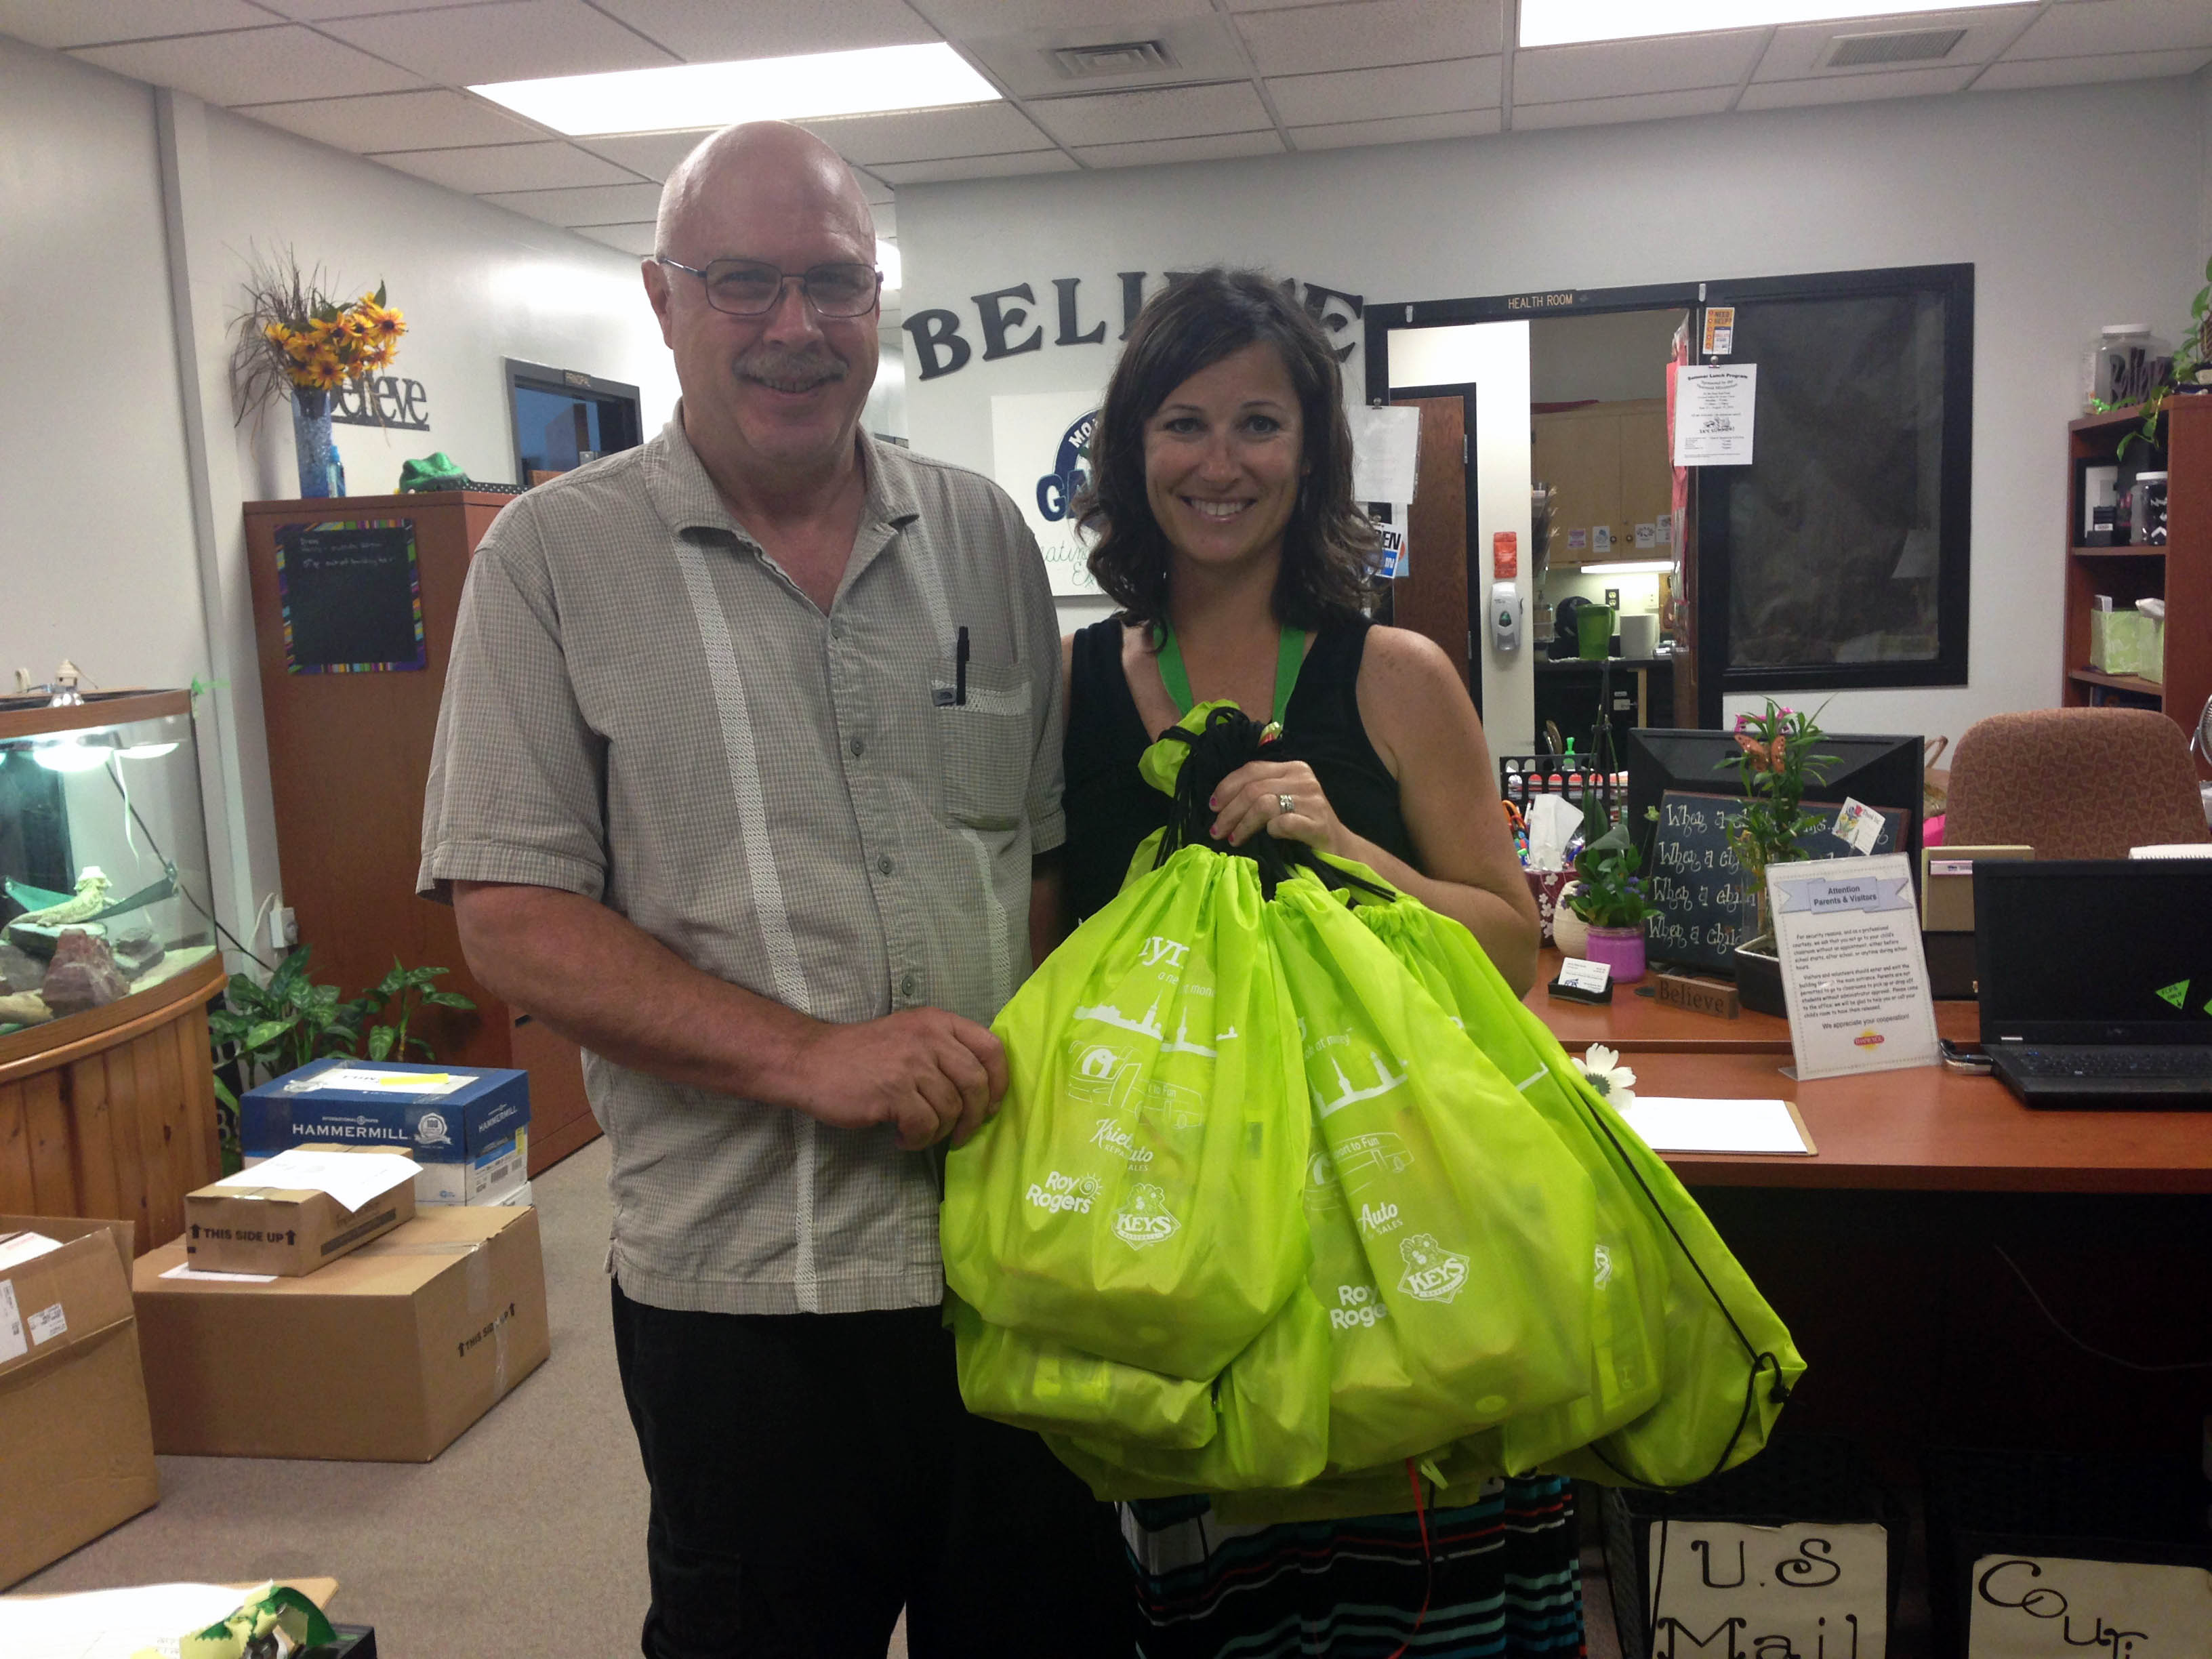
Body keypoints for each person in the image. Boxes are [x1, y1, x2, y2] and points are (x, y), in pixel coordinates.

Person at [418, 121, 1126, 1659]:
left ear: (875, 301)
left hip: (1016, 1260)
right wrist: (811, 1055)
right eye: (743, 280)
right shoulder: (549, 561)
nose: (794, 325)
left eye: (832, 282)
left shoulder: (986, 539)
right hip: (744, 1300)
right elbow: (511, 918)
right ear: (664, 299)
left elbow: (1039, 862)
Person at [1057, 268, 1578, 1658]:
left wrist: (1347, 846)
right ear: (1132, 449)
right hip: (1176, 1235)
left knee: (1415, 1612)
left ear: (1312, 454)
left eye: (1259, 424)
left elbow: (1512, 950)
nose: (1219, 463)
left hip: (1390, 1232)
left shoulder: (1396, 674)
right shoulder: (1074, 687)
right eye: (1182, 422)